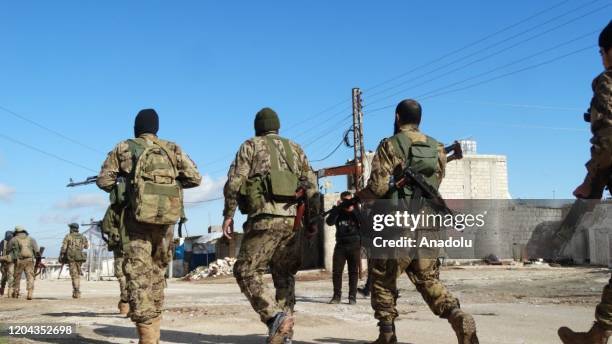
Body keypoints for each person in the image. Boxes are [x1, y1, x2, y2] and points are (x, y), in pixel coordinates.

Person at [356, 99, 479, 344]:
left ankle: (387, 335)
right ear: (419, 119)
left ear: (397, 117)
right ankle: (457, 315)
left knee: (382, 279)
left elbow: (378, 187)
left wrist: (359, 197)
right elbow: (435, 185)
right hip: (429, 223)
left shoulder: (390, 145)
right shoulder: (438, 148)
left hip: (396, 224)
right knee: (428, 279)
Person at [96, 108, 202, 343]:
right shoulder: (172, 148)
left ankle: (148, 335)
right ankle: (154, 329)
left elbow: (104, 181)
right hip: (166, 223)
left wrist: (127, 186)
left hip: (136, 221)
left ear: (136, 128)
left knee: (138, 276)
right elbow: (195, 177)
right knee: (157, 275)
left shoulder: (124, 147)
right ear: (156, 128)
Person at [222, 107, 320, 344]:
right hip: (293, 221)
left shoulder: (251, 145)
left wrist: (228, 214)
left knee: (245, 270)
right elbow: (312, 187)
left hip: (264, 218)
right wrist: (312, 221)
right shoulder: (295, 148)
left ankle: (274, 317)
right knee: (284, 274)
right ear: (278, 126)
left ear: (257, 127)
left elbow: (235, 183)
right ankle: (284, 334)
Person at [558, 20, 612, 344]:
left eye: (602, 52)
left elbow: (607, 143)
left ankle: (598, 333)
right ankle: (599, 332)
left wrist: (590, 183)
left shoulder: (607, 82)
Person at [327, 191, 361, 305]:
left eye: (349, 200)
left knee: (353, 272)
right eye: (345, 201)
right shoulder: (338, 211)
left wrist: (353, 210)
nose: (347, 203)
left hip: (354, 245)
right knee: (337, 271)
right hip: (340, 245)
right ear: (341, 200)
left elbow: (362, 221)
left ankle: (352, 297)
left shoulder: (356, 210)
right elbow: (329, 222)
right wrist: (337, 209)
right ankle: (336, 296)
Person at [9, 226, 40, 300]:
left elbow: (8, 250)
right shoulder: (31, 239)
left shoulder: (13, 239)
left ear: (16, 232)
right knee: (30, 277)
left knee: (17, 277)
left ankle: (16, 292)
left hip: (19, 261)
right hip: (29, 260)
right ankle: (30, 293)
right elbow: (37, 251)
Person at [59, 223, 89, 299]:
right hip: (80, 257)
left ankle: (76, 291)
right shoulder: (82, 236)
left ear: (72, 228)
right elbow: (86, 246)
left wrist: (61, 255)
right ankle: (77, 290)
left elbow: (64, 248)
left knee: (74, 275)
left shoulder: (68, 236)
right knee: (77, 274)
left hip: (71, 258)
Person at [0, 230, 14, 297]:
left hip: (3, 262)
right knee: (10, 277)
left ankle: (2, 292)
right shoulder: (14, 242)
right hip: (11, 262)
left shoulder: (3, 242)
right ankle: (9, 293)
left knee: (3, 277)